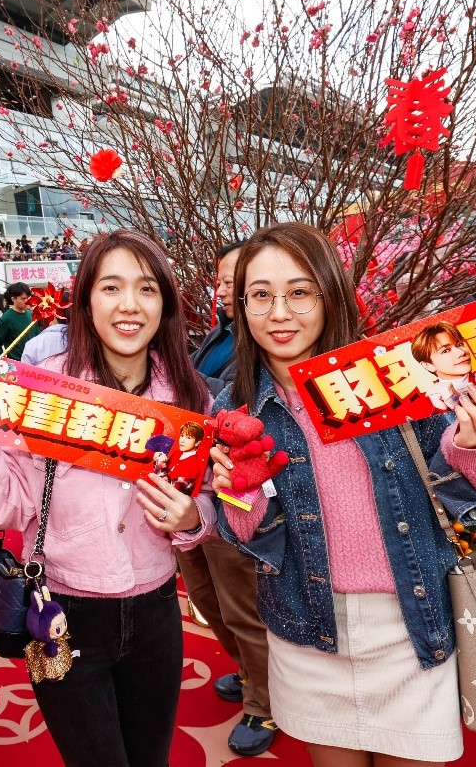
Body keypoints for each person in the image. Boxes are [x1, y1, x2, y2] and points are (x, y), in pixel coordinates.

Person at [210, 222, 476, 767]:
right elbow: (247, 535)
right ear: (240, 305)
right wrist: (240, 493)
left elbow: (471, 500)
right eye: (261, 296)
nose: (280, 313)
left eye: (300, 292)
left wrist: (473, 444)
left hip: (409, 627)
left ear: (330, 292)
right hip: (306, 632)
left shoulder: (396, 378)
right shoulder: (232, 410)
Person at [0, 230, 216, 767]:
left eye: (146, 289)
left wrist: (192, 516)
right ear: (86, 301)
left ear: (165, 302)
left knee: (151, 760)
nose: (129, 305)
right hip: (63, 614)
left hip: (158, 610)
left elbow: (206, 497)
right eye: (111, 287)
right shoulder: (44, 389)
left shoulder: (188, 395)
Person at [180, 239, 279, 756]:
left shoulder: (266, 346)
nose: (220, 288)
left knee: (242, 607)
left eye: (231, 281)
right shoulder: (218, 335)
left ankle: (264, 707)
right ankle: (247, 673)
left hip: (237, 496)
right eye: (218, 279)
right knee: (204, 597)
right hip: (193, 493)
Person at [192, 241, 243, 391]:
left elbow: (233, 398)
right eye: (219, 283)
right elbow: (187, 364)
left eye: (228, 283)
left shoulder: (264, 345)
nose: (219, 292)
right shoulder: (222, 330)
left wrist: (182, 377)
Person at [0, 282, 39, 359]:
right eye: (23, 298)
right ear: (13, 299)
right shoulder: (6, 318)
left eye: (27, 298)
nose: (26, 301)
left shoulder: (31, 314)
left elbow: (37, 337)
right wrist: (2, 361)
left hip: (34, 360)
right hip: (17, 362)